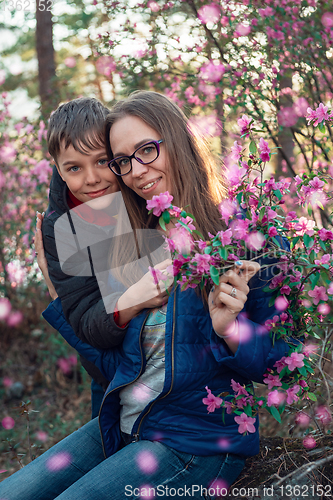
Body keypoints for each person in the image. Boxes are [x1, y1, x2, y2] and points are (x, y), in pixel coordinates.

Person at [0, 91, 292, 499]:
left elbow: (283, 362)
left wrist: (230, 330)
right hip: (122, 424)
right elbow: (109, 367)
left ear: (178, 139)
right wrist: (57, 290)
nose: (136, 170)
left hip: (195, 442)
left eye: (147, 150)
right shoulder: (130, 237)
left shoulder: (243, 231)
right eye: (122, 160)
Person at [40, 97, 125, 418]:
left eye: (102, 161)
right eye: (74, 168)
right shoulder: (58, 227)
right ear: (59, 170)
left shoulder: (137, 193)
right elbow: (86, 322)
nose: (91, 179)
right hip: (107, 373)